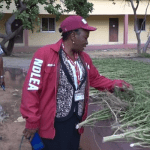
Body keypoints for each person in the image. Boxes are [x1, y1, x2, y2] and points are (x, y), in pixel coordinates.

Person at [20, 15, 132, 150]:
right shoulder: (44, 55)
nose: (87, 42)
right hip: (51, 124)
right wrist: (32, 120)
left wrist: (118, 85)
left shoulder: (84, 59)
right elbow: (31, 89)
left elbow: (96, 79)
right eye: (85, 37)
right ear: (73, 35)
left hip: (76, 123)